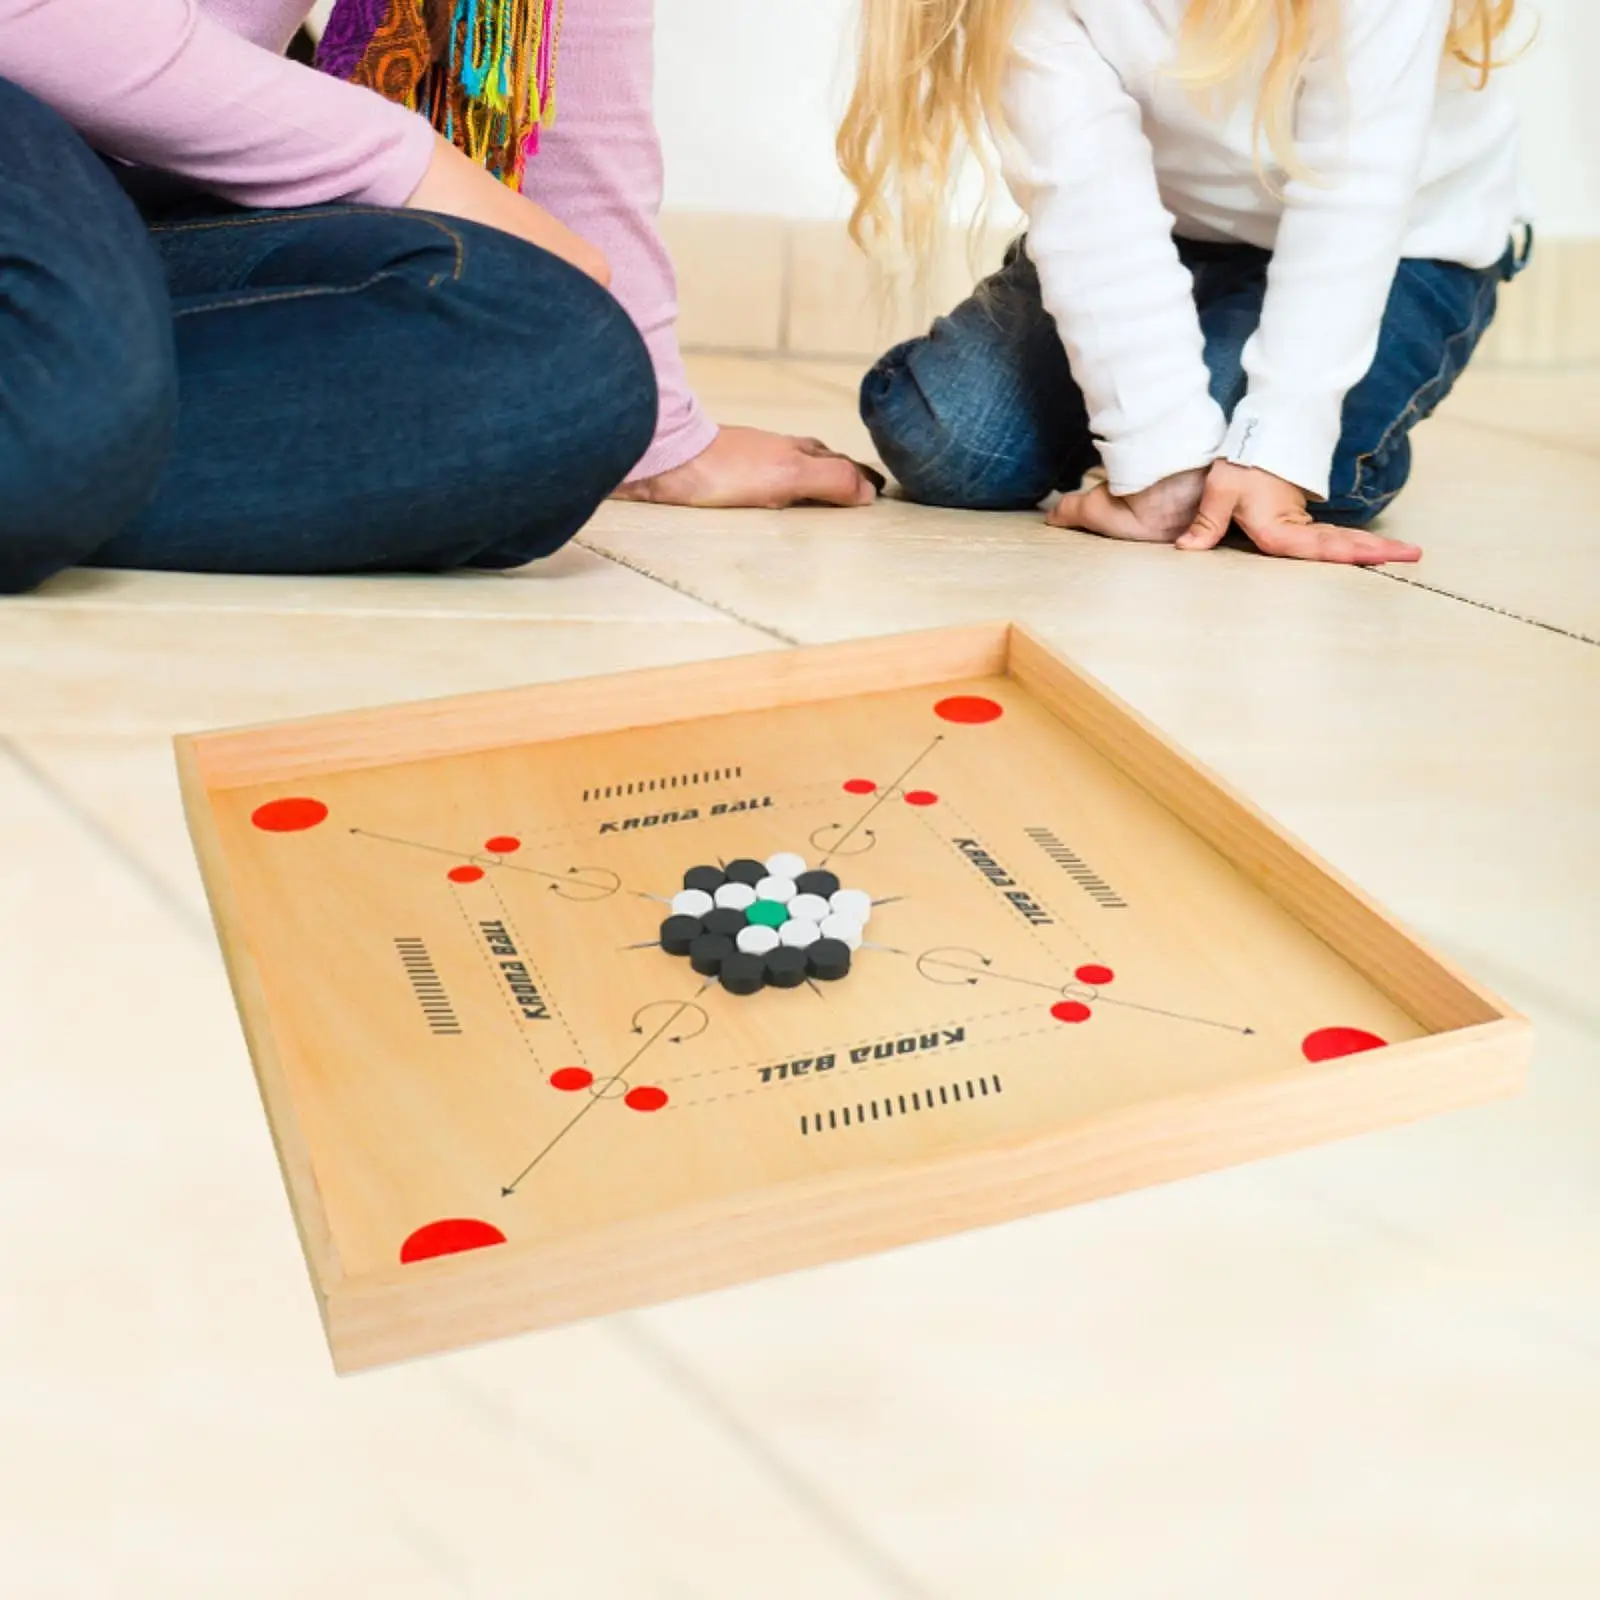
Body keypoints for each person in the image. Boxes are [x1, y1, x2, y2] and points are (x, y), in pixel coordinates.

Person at [0, 0, 875, 596]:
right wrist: (407, 163)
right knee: (57, 425)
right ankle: (68, 427)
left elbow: (565, 45)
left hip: (133, 202)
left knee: (563, 369)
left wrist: (663, 431)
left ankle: (71, 419)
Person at [839, 0, 1532, 566]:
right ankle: (1170, 383)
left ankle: (1265, 406)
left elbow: (1354, 190)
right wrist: (1159, 466)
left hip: (1401, 245)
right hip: (1170, 229)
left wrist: (1280, 442)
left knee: (1256, 475)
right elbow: (1091, 200)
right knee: (951, 447)